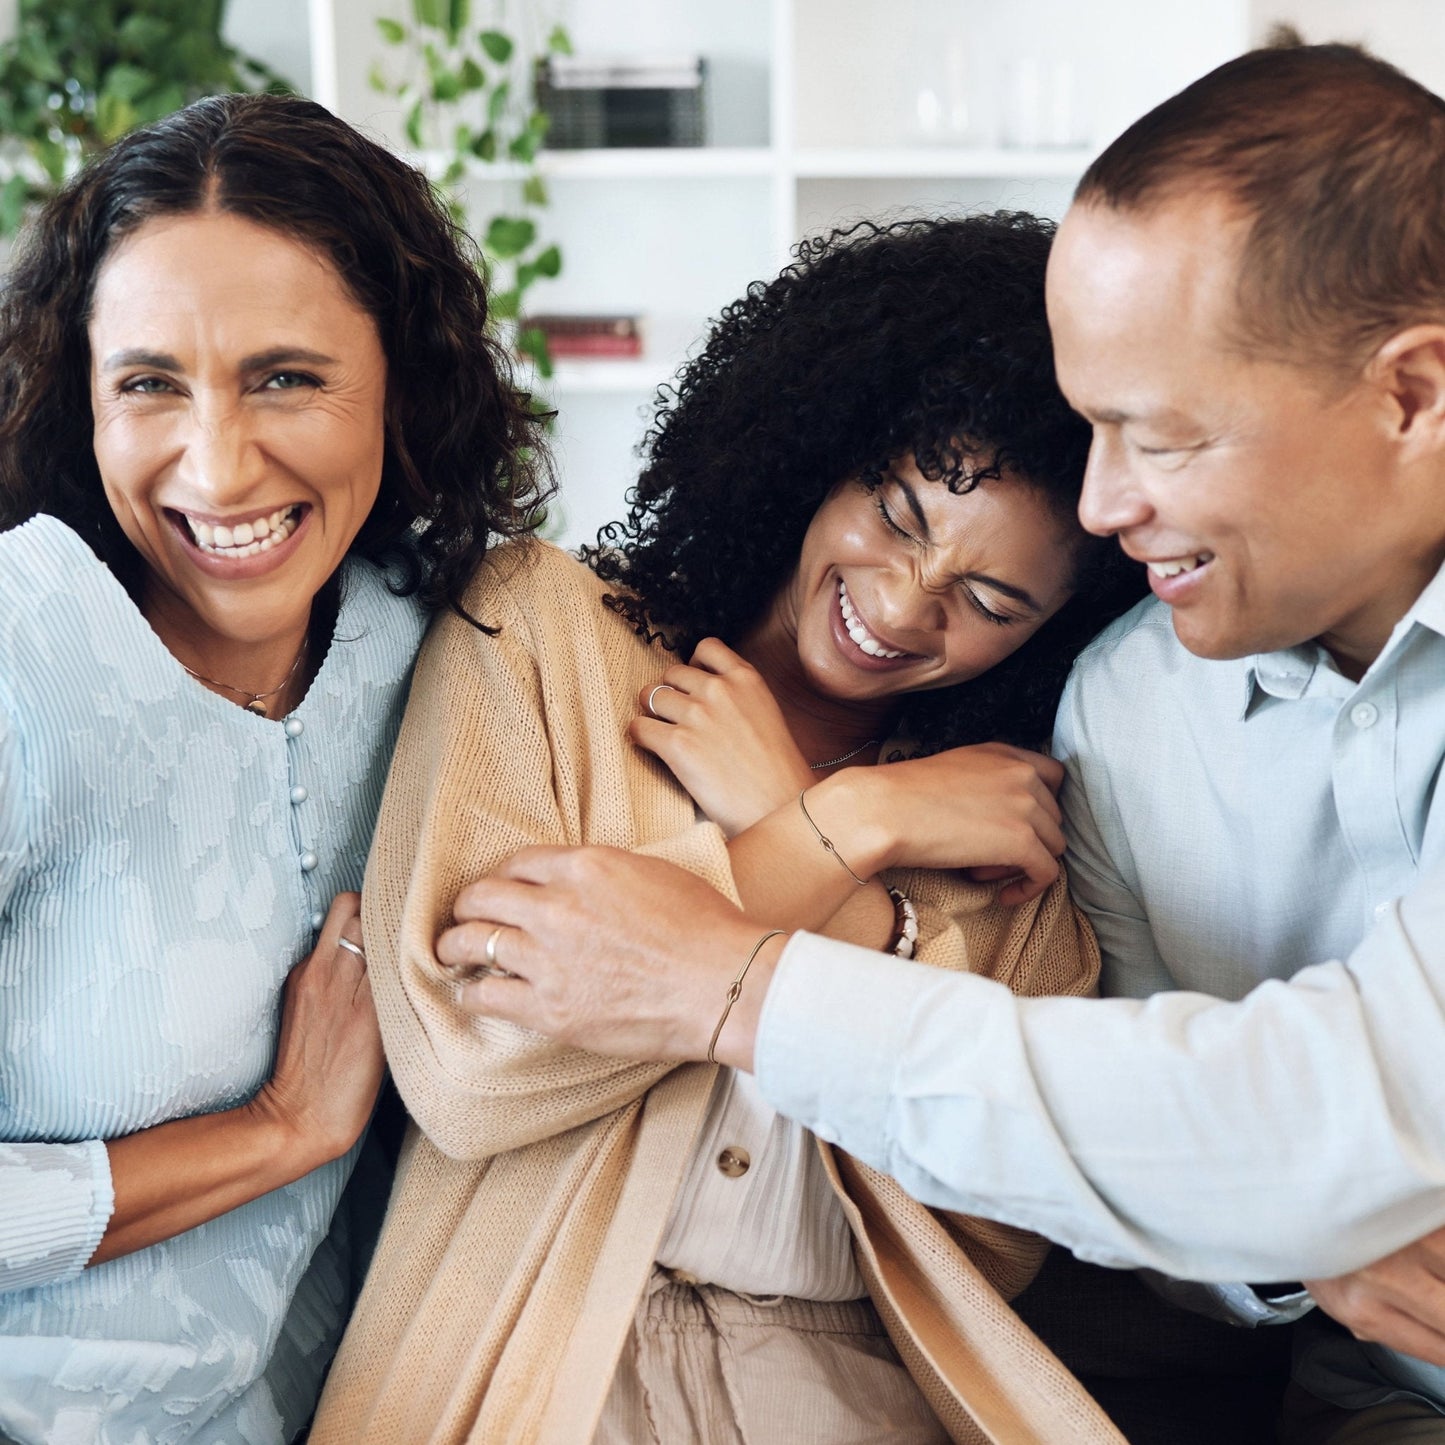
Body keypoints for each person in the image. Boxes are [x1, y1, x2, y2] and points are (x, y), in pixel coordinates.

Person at [435, 41, 1445, 1445]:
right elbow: (1133, 1125)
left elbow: (1298, 1113)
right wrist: (1284, 1234)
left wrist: (736, 977)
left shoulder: (1015, 783)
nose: (1099, 506)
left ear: (1412, 393)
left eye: (1155, 436)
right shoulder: (1133, 707)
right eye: (1091, 428)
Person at [312, 214, 1145, 1444]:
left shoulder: (1002, 810)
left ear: (1047, 638)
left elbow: (1002, 1229)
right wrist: (845, 824)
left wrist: (814, 833)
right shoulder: (546, 628)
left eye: (987, 599)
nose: (903, 604)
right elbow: (469, 1065)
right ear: (820, 446)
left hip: (853, 1392)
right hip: (529, 1364)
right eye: (897, 513)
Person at [0, 93, 547, 1443]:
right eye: (150, 384)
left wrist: (857, 820)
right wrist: (281, 1127)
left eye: (284, 377)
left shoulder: (432, 643)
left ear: (401, 381)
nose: (217, 464)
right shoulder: (24, 647)